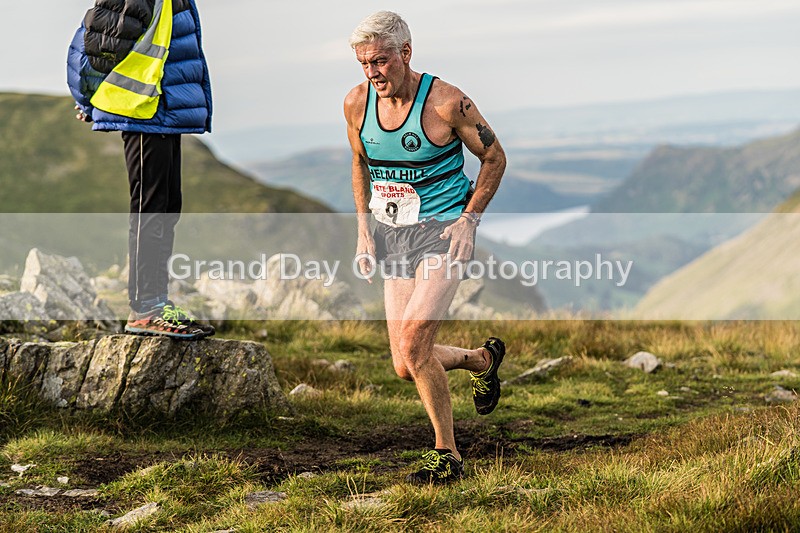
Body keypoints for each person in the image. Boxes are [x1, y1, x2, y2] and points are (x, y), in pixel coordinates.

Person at [344, 11, 507, 484]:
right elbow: (359, 163)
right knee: (404, 363)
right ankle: (481, 361)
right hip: (392, 233)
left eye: (380, 61)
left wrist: (469, 220)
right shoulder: (356, 104)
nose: (373, 73)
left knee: (415, 343)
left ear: (405, 53)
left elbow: (494, 157)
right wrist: (363, 230)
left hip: (442, 232)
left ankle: (447, 453)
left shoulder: (447, 103)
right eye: (364, 63)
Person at [67, 0, 214, 340]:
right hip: (142, 109)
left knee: (166, 207)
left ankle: (157, 302)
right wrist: (88, 101)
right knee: (150, 208)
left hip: (161, 109)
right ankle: (145, 308)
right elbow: (95, 42)